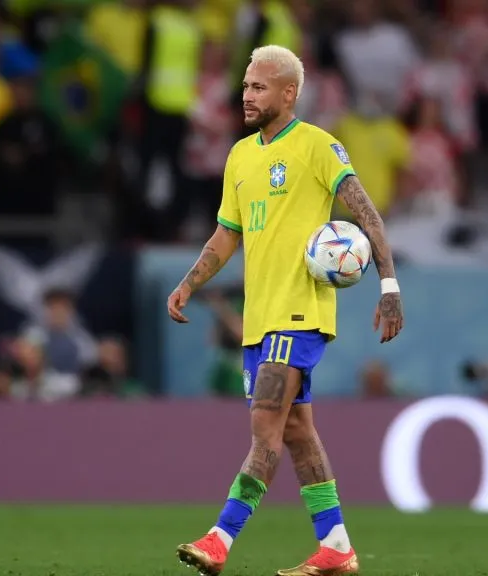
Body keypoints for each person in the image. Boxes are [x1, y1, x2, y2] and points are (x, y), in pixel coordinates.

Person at [167, 45, 405, 576]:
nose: (246, 96)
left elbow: (368, 216)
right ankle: (337, 546)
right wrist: (190, 282)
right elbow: (228, 234)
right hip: (259, 318)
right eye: (246, 86)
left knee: (265, 429)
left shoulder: (318, 147)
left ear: (288, 93)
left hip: (298, 316)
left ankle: (219, 539)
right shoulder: (239, 156)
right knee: (297, 432)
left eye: (258, 87)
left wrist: (388, 284)